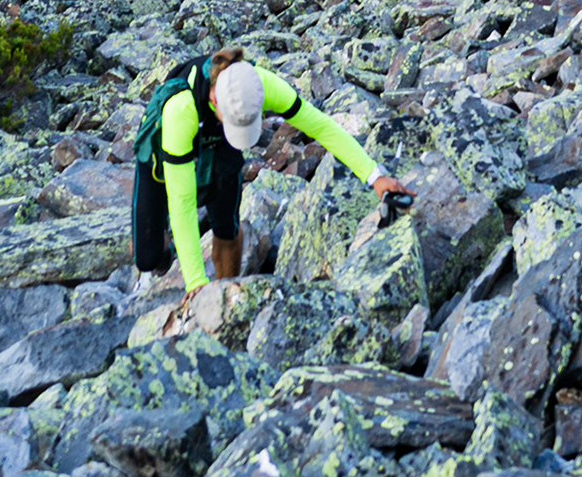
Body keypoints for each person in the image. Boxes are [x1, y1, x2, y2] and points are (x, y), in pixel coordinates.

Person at [132, 46, 407, 295]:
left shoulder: (260, 84)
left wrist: (375, 176)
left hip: (219, 139)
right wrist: (195, 282)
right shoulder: (180, 109)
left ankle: (226, 295)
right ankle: (165, 247)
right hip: (164, 141)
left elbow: (322, 127)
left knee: (226, 225)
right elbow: (182, 201)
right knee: (148, 257)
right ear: (215, 101)